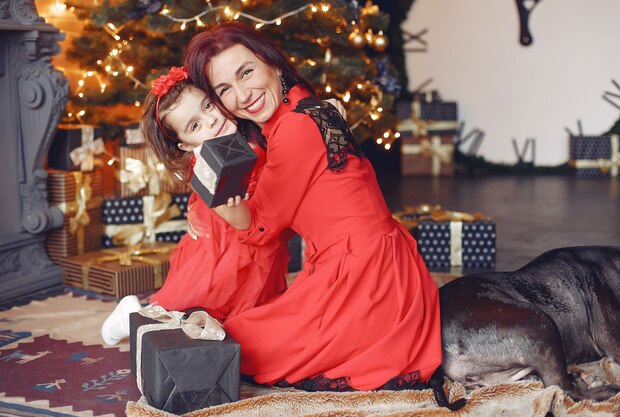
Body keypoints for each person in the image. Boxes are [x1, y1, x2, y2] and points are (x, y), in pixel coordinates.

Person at [184, 22, 442, 392]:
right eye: (225, 89)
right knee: (244, 327)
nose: (242, 95)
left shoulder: (293, 129)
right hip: (380, 263)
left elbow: (260, 228)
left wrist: (212, 191)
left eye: (246, 72)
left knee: (236, 340)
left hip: (366, 279)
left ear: (272, 63)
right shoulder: (305, 105)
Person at [100, 66, 290, 346]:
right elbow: (238, 215)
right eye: (195, 125)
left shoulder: (249, 131)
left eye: (209, 105)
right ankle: (131, 316)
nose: (211, 121)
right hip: (222, 247)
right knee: (194, 307)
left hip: (255, 238)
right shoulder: (205, 158)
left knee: (247, 313)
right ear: (186, 145)